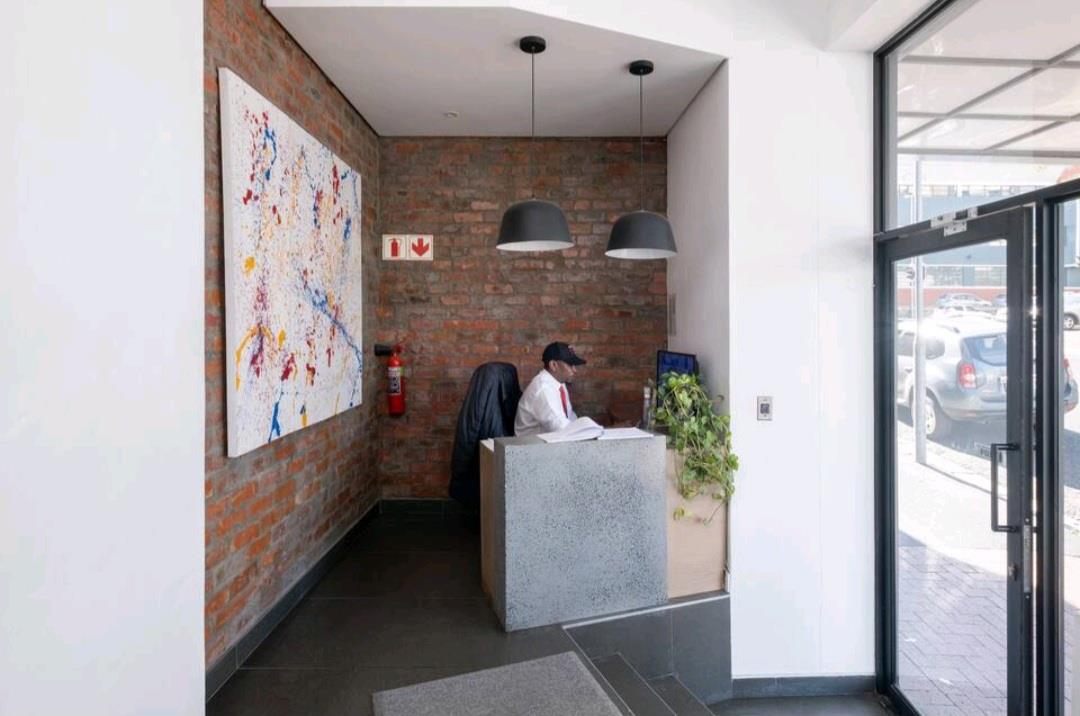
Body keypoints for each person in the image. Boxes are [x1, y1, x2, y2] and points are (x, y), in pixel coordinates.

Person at [514, 342, 587, 437]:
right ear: (553, 365)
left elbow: (570, 417)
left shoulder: (560, 383)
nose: (574, 370)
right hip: (530, 444)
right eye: (570, 365)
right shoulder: (543, 390)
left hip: (549, 440)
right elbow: (562, 429)